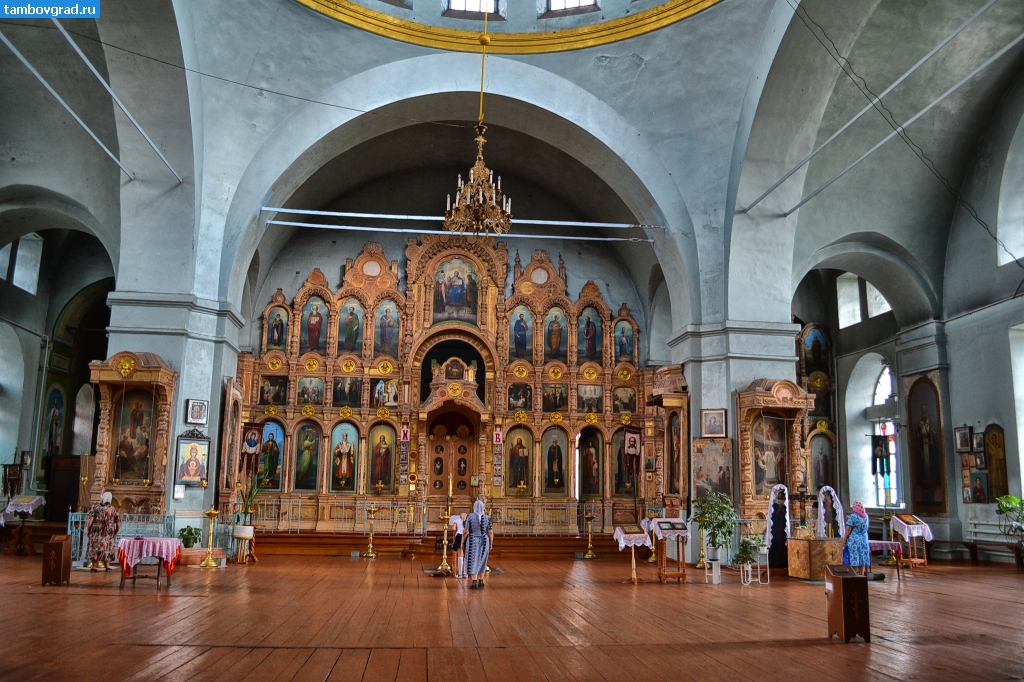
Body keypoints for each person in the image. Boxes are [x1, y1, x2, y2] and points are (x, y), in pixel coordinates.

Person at [86, 492, 120, 571]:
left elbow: (90, 520)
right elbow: (118, 522)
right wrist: (116, 531)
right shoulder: (113, 509)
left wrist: (88, 530)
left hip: (96, 530)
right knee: (107, 546)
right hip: (109, 530)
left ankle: (94, 567)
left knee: (95, 547)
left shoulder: (95, 508)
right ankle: (107, 566)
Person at [465, 499, 493, 589]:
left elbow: (466, 531)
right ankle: (481, 581)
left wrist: (462, 542)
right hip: (485, 540)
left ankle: (474, 582)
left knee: (473, 560)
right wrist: (491, 543)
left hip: (473, 539)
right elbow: (491, 532)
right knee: (483, 560)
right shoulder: (487, 517)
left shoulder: (470, 516)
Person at [843, 500, 871, 575]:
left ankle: (854, 575)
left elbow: (848, 529)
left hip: (854, 541)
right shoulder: (866, 516)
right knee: (862, 559)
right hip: (864, 540)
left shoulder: (852, 516)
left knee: (854, 558)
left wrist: (845, 538)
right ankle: (861, 575)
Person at [449, 512, 466, 578]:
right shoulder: (467, 520)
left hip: (459, 536)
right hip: (466, 536)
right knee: (466, 554)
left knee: (460, 553)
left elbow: (453, 528)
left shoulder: (457, 520)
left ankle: (460, 573)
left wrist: (456, 530)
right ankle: (465, 573)